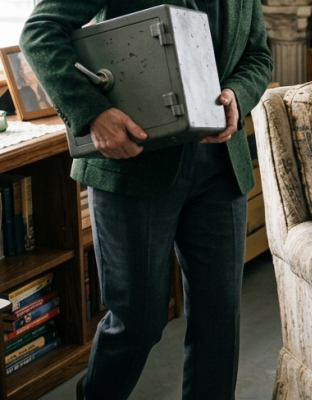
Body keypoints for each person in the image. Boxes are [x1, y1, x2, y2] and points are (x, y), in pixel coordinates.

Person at [19, 0, 272, 398]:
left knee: (219, 320)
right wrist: (92, 112)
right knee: (137, 322)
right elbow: (39, 32)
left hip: (220, 168)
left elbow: (257, 55)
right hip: (132, 166)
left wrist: (238, 95)